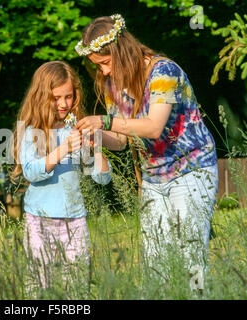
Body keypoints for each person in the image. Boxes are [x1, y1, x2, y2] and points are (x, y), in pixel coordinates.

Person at [74, 14, 218, 290]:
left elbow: (152, 127)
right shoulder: (112, 85)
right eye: (98, 66)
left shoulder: (164, 72)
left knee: (191, 260)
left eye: (105, 63)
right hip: (153, 180)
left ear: (121, 51)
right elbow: (122, 138)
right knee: (154, 264)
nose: (103, 72)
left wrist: (102, 121)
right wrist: (97, 136)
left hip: (191, 171)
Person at [11, 61, 112, 291]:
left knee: (76, 286)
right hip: (39, 220)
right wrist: (64, 148)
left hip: (75, 219)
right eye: (56, 98)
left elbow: (102, 178)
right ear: (42, 96)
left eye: (69, 96)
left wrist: (95, 147)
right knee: (39, 285)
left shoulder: (75, 127)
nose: (64, 104)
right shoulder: (31, 130)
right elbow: (30, 171)